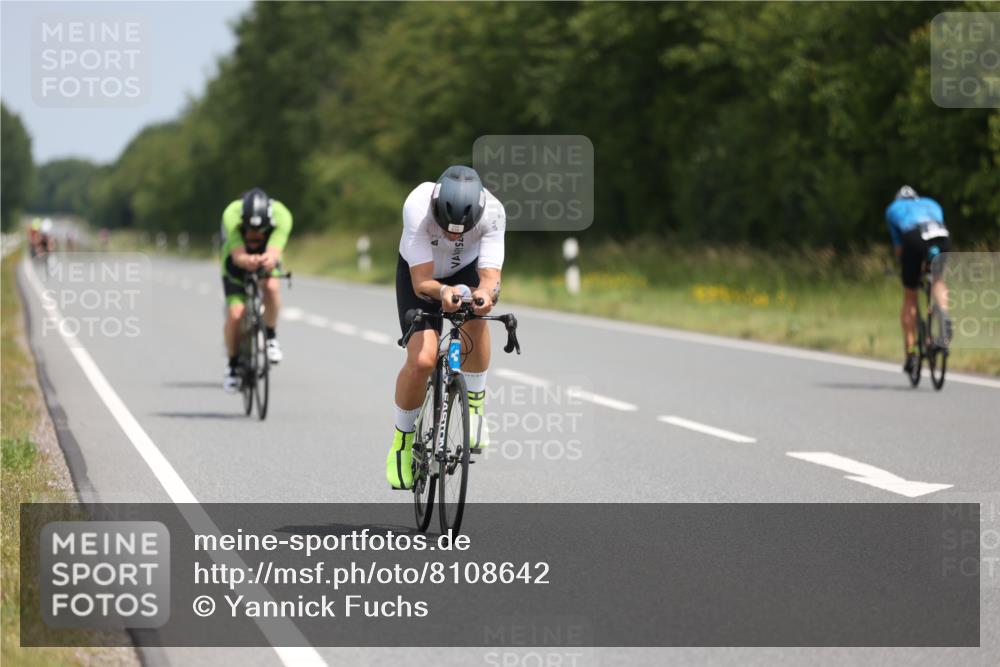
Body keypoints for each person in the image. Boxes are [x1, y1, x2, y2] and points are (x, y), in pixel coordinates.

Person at [387, 165, 506, 490]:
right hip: (421, 274)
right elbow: (422, 280)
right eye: (447, 227)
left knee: (477, 318)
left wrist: (484, 295)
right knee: (423, 359)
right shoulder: (418, 205)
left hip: (466, 269)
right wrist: (442, 292)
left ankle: (476, 405)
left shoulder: (494, 212)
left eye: (461, 230)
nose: (454, 235)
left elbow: (491, 278)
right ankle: (402, 441)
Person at [219, 188, 293, 393]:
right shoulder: (231, 215)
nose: (254, 235)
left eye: (259, 232)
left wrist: (266, 260)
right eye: (249, 231)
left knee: (271, 286)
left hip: (266, 258)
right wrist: (247, 260)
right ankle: (232, 366)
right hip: (236, 261)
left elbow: (274, 252)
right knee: (235, 314)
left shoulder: (282, 216)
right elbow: (237, 256)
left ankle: (270, 337)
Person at [884, 185, 951, 375]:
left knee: (910, 295)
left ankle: (911, 353)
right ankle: (944, 317)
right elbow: (932, 232)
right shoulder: (931, 203)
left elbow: (900, 250)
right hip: (941, 235)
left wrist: (908, 270)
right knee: (937, 280)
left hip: (913, 237)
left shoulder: (893, 209)